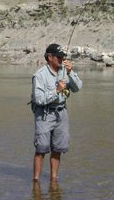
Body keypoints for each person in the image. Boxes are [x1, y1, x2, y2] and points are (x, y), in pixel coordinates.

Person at [31, 43, 82, 182]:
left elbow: (77, 88)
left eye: (63, 57)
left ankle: (54, 180)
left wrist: (71, 72)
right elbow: (39, 99)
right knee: (41, 149)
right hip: (44, 114)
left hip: (61, 113)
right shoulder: (39, 75)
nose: (62, 59)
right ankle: (36, 182)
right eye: (59, 57)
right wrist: (57, 91)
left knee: (58, 148)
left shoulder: (65, 71)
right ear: (49, 57)